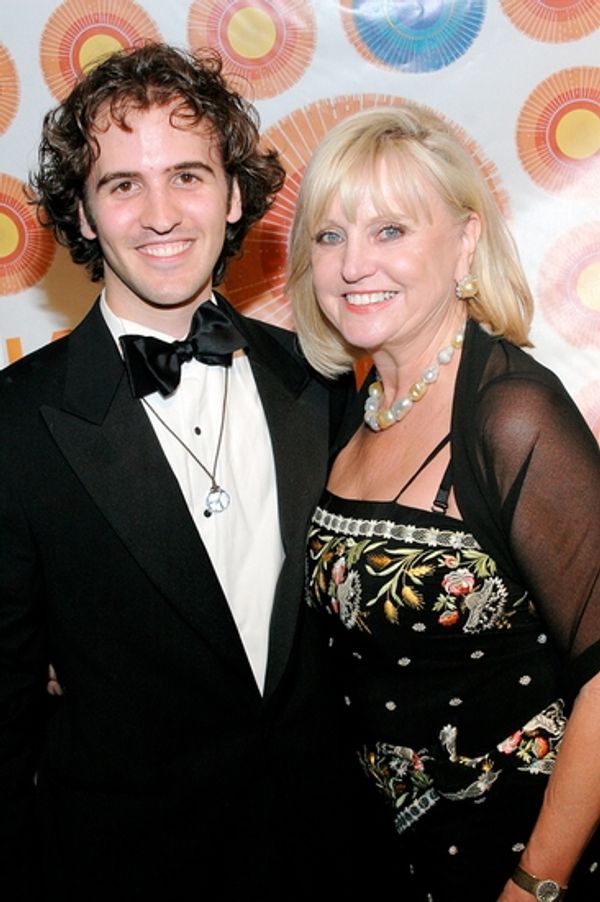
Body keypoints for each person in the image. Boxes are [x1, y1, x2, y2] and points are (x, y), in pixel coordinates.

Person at [0, 43, 367, 900]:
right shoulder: (15, 426)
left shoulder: (320, 377)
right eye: (122, 184)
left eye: (189, 176)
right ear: (84, 216)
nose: (160, 213)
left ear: (234, 194)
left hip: (331, 856)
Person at [287, 104, 600, 901]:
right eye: (330, 236)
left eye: (390, 230)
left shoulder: (511, 413)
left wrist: (535, 885)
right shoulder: (344, 412)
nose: (354, 264)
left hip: (520, 860)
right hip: (390, 859)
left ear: (465, 241)